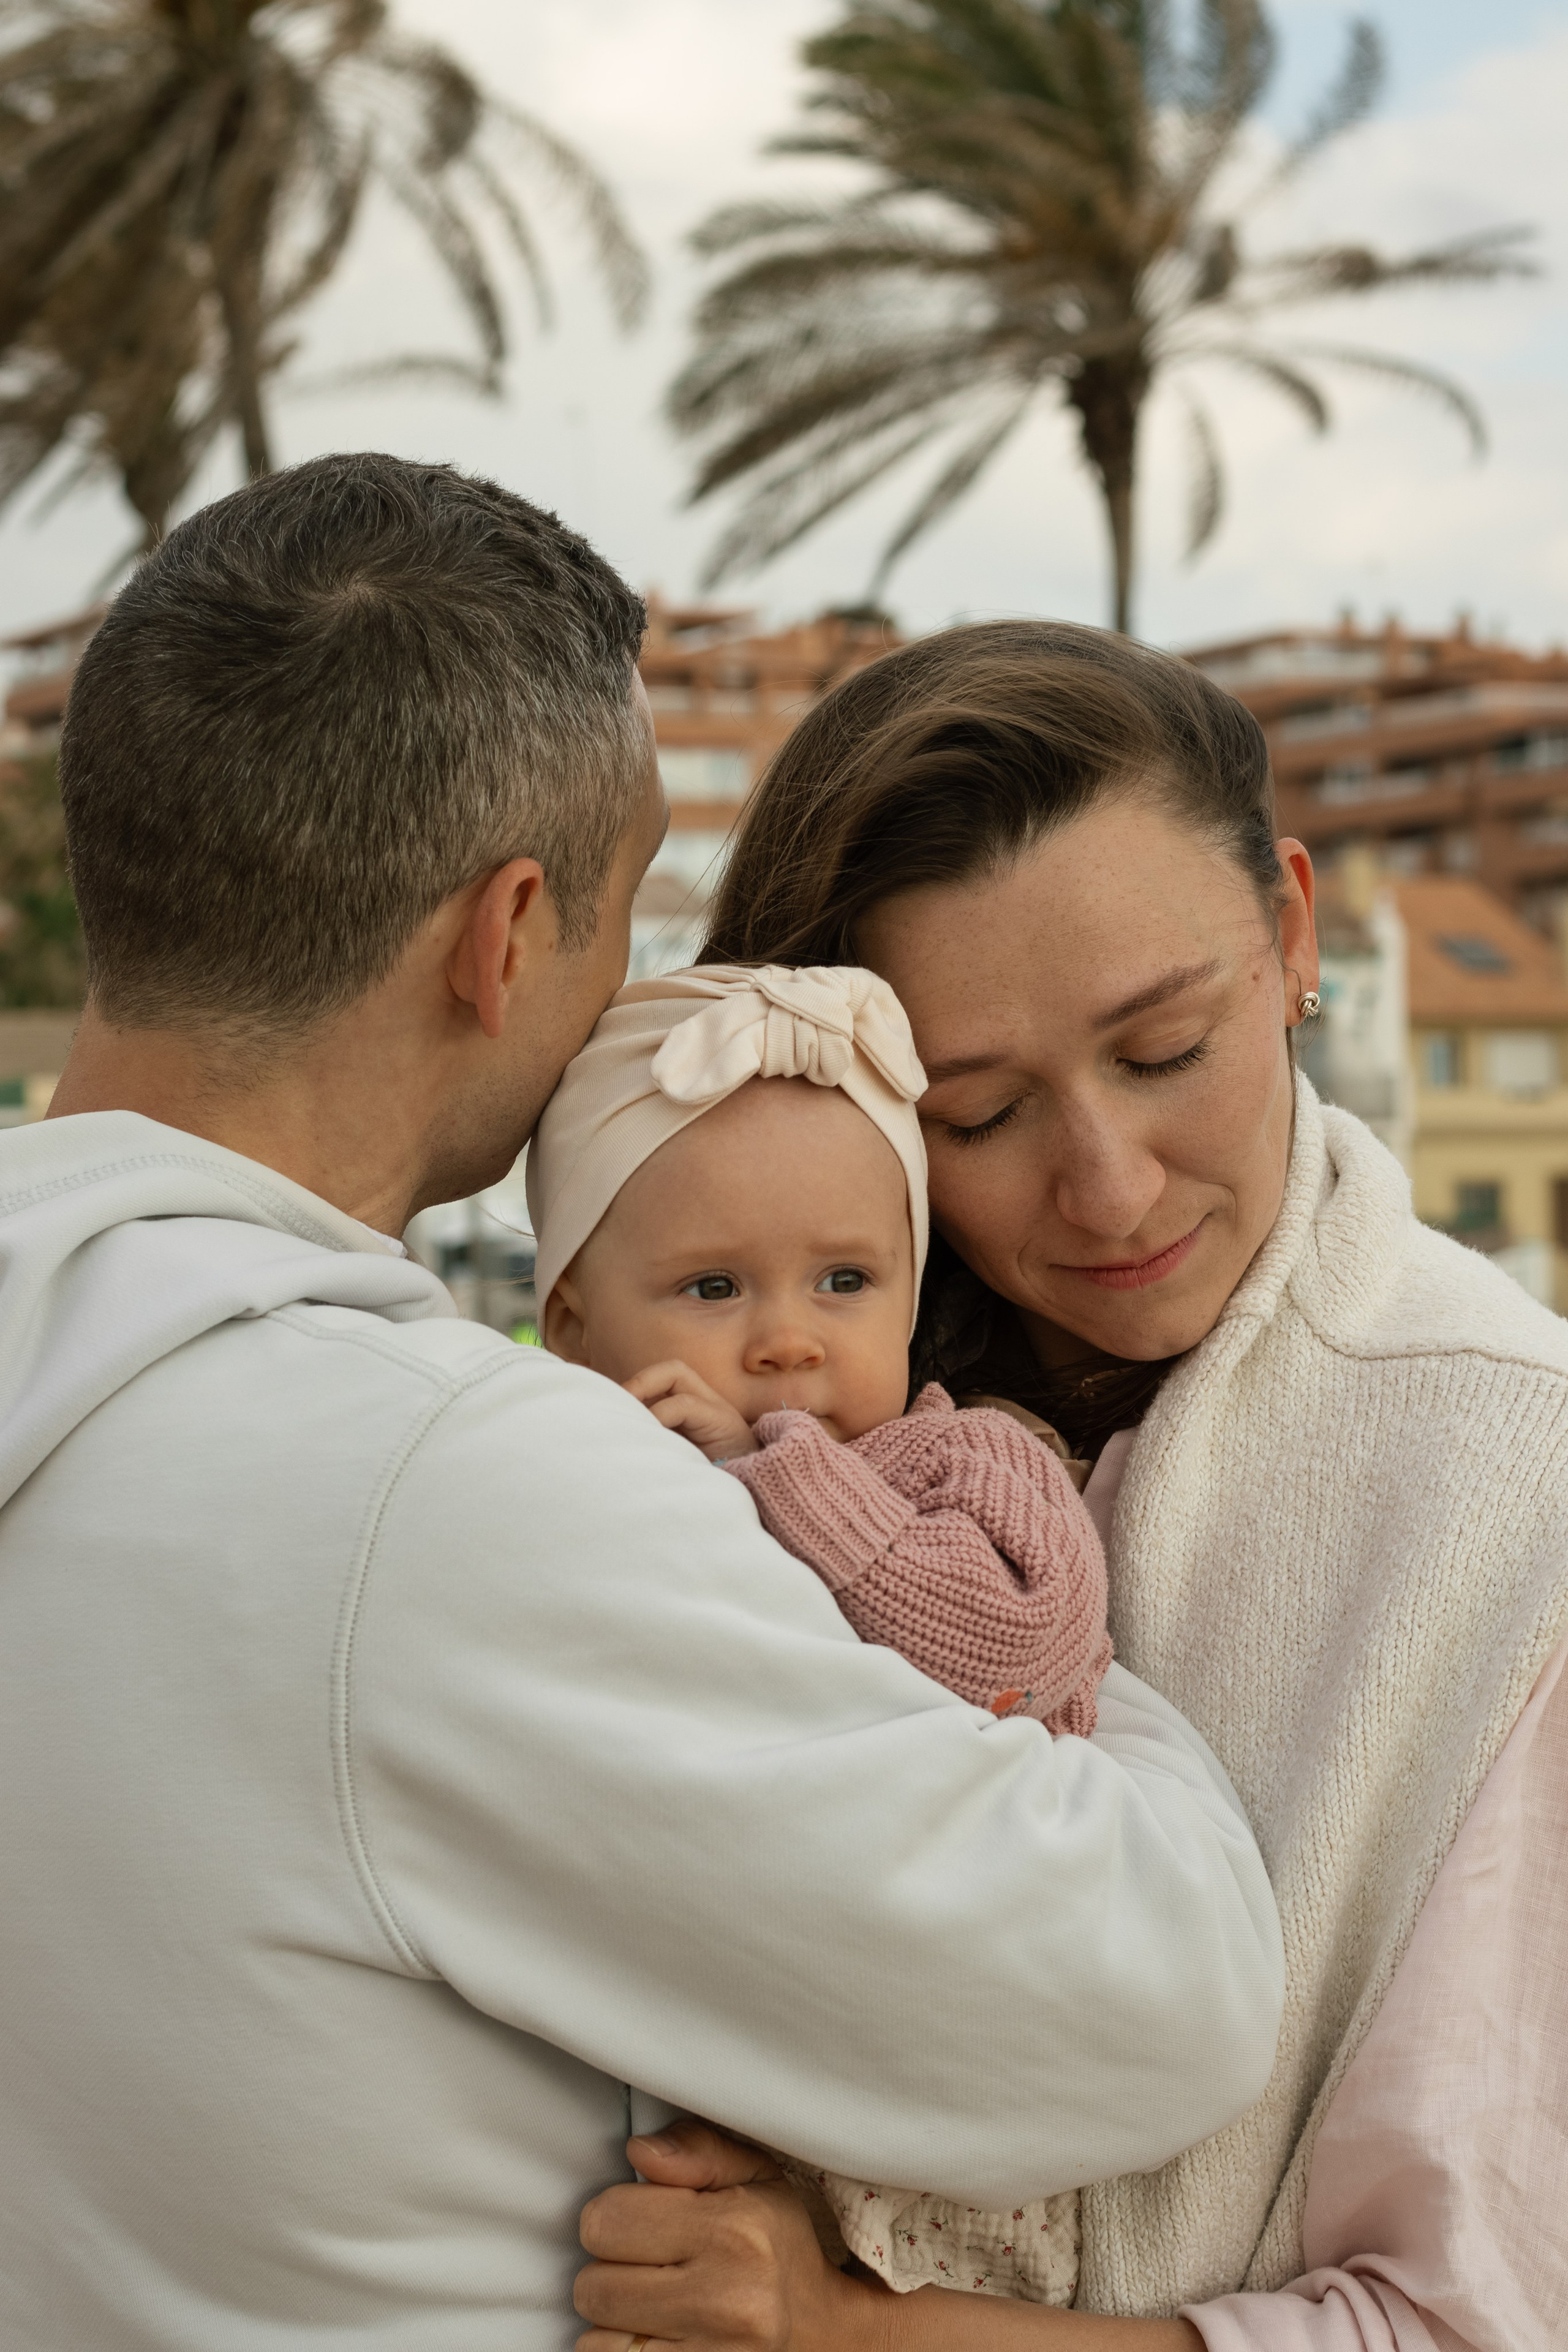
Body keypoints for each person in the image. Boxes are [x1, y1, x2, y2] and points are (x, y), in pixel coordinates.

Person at [0, 464, 1283, 2352]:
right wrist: (963, 1574)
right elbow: (1159, 1998)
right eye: (620, 924)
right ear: (506, 935)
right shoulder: (441, 1493)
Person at [572, 622, 1568, 2352]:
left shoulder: (1520, 1495)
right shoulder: (720, 1437)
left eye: (1166, 1049)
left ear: (1293, 936)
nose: (1106, 1189)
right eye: (977, 1115)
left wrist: (848, 2326)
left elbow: (1466, 2326)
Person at [530, 955, 1120, 2307]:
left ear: (911, 1298)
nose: (788, 1342)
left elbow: (1007, 1647)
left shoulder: (962, 1464)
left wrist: (775, 1475)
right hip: (721, 2106)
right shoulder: (580, 1498)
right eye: (714, 1290)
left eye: (843, 1280)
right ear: (571, 1324)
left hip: (959, 2139)